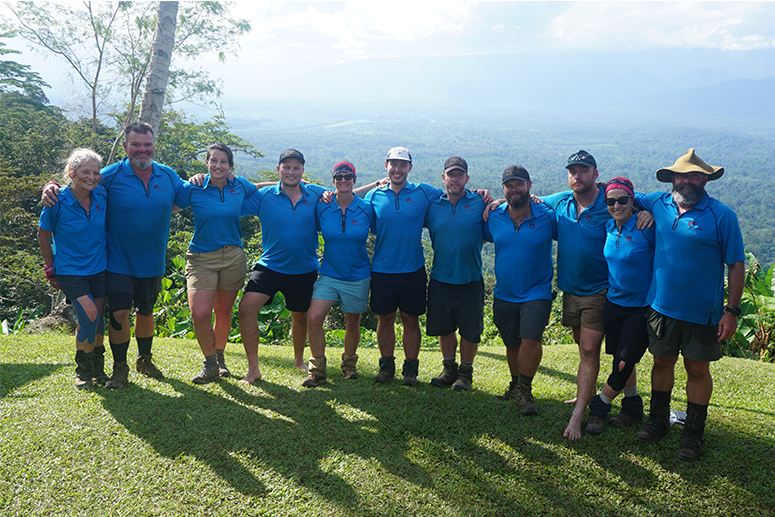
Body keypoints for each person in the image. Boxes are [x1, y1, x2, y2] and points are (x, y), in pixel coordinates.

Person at [42, 122, 187, 389]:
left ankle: (145, 359)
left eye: (147, 145)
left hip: (153, 261)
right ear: (125, 147)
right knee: (119, 314)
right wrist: (51, 185)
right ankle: (119, 368)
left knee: (146, 312)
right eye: (136, 145)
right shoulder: (110, 174)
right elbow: (80, 180)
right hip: (117, 262)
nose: (142, 150)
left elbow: (192, 195)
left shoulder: (168, 176)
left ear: (154, 146)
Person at [635, 149, 744, 461]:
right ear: (672, 179)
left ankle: (693, 434)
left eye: (694, 175)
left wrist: (731, 311)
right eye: (682, 175)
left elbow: (737, 264)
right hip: (660, 306)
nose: (687, 181)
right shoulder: (658, 202)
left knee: (697, 369)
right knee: (661, 363)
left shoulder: (722, 216)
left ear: (705, 179)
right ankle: (657, 421)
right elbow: (618, 191)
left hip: (703, 312)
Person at [365, 147, 492, 386]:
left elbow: (471, 198)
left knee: (412, 321)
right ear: (386, 166)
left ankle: (412, 371)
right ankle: (387, 367)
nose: (398, 169)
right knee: (386, 321)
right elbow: (351, 203)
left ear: (410, 168)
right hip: (383, 270)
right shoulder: (376, 196)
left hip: (415, 270)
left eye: (403, 164)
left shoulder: (425, 193)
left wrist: (492, 197)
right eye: (394, 164)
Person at [541, 150, 620, 440]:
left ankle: (580, 414)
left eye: (584, 170)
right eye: (573, 171)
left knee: (589, 349)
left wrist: (645, 211)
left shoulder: (610, 201)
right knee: (583, 347)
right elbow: (530, 200)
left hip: (598, 291)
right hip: (570, 290)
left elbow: (636, 202)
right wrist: (494, 200)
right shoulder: (561, 201)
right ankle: (588, 393)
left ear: (596, 174)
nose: (578, 176)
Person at [238, 149, 327, 383]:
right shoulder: (265, 195)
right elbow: (240, 192)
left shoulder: (315, 194)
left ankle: (299, 360)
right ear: (278, 169)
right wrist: (269, 182)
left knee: (300, 316)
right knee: (246, 308)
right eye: (286, 167)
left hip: (304, 268)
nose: (291, 171)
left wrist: (377, 184)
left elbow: (342, 196)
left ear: (303, 171)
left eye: (296, 168)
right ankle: (253, 369)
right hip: (270, 266)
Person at [174, 144, 257, 384]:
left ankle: (219, 360)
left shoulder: (239, 185)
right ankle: (209, 362)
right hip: (201, 257)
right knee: (199, 313)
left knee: (223, 311)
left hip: (233, 257)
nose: (218, 166)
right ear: (207, 163)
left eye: (224, 162)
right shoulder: (194, 187)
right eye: (214, 161)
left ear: (230, 166)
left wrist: (298, 186)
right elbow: (167, 203)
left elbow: (259, 189)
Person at [485, 165, 557, 414]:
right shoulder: (494, 216)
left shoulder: (547, 216)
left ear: (529, 185)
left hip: (537, 291)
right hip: (505, 291)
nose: (514, 189)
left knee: (530, 339)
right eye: (509, 185)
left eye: (519, 183)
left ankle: (525, 391)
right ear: (503, 188)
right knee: (512, 342)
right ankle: (515, 385)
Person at [586, 177, 655, 435]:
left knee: (624, 363)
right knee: (620, 358)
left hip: (640, 307)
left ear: (632, 201)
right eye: (611, 201)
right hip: (613, 303)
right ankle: (633, 406)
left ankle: (599, 407)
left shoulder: (646, 227)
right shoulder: (608, 227)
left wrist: (647, 210)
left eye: (623, 200)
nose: (617, 205)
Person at [38, 149, 107, 389]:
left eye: (96, 172)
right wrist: (49, 266)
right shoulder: (56, 200)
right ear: (72, 172)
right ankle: (83, 371)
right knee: (89, 316)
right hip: (69, 270)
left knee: (98, 322)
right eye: (85, 172)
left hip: (99, 268)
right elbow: (43, 235)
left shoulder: (102, 196)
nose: (91, 177)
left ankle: (99, 369)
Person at [303, 161, 376, 387]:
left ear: (354, 180)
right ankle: (317, 370)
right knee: (314, 317)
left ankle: (349, 366)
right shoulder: (322, 206)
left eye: (348, 177)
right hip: (330, 274)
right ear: (333, 180)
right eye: (339, 177)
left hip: (358, 274)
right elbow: (301, 185)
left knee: (352, 322)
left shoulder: (366, 208)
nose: (343, 180)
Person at [424, 156, 485, 391]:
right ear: (443, 178)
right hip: (440, 276)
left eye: (459, 175)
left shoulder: (479, 201)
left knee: (470, 329)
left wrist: (494, 197)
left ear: (467, 179)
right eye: (451, 174)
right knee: (445, 327)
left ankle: (465, 372)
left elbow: (503, 205)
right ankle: (449, 369)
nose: (455, 179)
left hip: (470, 277)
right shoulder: (432, 205)